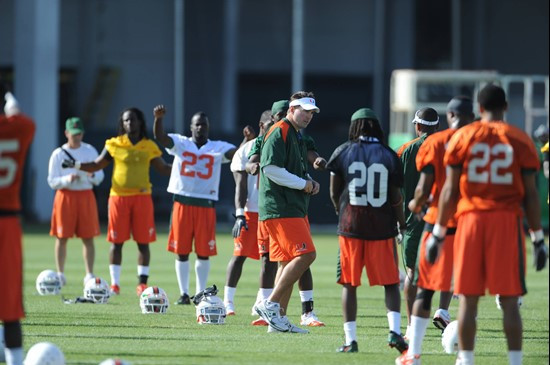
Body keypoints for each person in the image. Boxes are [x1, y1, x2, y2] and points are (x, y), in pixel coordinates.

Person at [426, 84, 548, 365]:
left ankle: (466, 360)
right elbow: (531, 194)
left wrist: (438, 233)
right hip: (507, 223)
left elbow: (449, 191)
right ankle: (515, 361)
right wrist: (538, 238)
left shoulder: (463, 137)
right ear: (506, 107)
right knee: (510, 302)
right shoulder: (520, 139)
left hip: (471, 222)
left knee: (468, 300)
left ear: (479, 109)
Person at [396, 96, 474, 364]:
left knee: (418, 279)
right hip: (465, 220)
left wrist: (412, 205)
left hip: (426, 220)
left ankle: (412, 343)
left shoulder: (416, 147)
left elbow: (415, 187)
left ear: (417, 125)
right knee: (461, 282)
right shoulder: (473, 142)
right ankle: (459, 342)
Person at [61, 107, 171, 296]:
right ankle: (115, 284)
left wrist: (186, 164)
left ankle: (142, 284)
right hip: (118, 197)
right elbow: (97, 165)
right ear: (122, 124)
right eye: (126, 121)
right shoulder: (114, 144)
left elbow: (163, 168)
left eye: (133, 120)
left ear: (140, 123)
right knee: (116, 242)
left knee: (143, 242)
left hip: (142, 197)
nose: (129, 123)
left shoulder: (148, 145)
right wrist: (77, 165)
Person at [327, 108, 408, 353]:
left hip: (351, 226)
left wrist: (340, 212)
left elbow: (333, 191)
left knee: (349, 284)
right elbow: (396, 197)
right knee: (391, 283)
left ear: (354, 127)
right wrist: (401, 223)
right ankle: (394, 332)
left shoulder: (343, 151)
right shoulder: (388, 154)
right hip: (382, 227)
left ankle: (351, 340)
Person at [247, 99, 326, 328]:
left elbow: (293, 169)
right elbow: (270, 169)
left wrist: (309, 181)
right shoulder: (279, 130)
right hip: (282, 207)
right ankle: (270, 304)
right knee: (307, 255)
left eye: (312, 113)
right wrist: (303, 184)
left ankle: (278, 319)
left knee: (287, 262)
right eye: (305, 111)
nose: (309, 116)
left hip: (290, 206)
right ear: (292, 109)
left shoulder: (295, 134)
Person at [153, 106, 240, 305]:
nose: (201, 127)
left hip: (205, 203)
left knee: (203, 251)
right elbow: (161, 138)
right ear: (191, 126)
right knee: (181, 251)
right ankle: (184, 293)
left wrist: (245, 140)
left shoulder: (217, 146)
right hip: (182, 201)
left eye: (204, 125)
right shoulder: (181, 143)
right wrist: (158, 119)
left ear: (208, 127)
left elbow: (237, 154)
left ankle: (200, 292)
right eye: (197, 124)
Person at [396, 107, 440, 338]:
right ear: (438, 125)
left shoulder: (406, 149)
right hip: (445, 219)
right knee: (446, 270)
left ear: (417, 125)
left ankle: (413, 327)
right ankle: (443, 311)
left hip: (413, 220)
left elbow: (393, 185)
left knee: (412, 273)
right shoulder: (449, 145)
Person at [222, 111, 272, 315]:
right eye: (271, 123)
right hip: (250, 211)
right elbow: (239, 186)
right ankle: (228, 302)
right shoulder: (247, 149)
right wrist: (240, 213)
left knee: (269, 258)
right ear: (262, 125)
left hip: (270, 212)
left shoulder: (280, 146)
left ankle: (262, 302)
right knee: (239, 255)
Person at [47, 117, 104, 287]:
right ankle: (60, 273)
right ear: (66, 133)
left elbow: (100, 175)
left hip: (85, 195)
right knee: (62, 237)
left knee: (88, 237)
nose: (77, 137)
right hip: (65, 196)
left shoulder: (90, 151)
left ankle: (89, 274)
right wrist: (66, 179)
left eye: (79, 134)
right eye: (73, 134)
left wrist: (91, 175)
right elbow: (52, 180)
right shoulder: (58, 154)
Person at [0, 92, 35, 365]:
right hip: (7, 222)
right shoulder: (20, 128)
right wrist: (11, 101)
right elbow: (22, 118)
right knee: (10, 309)